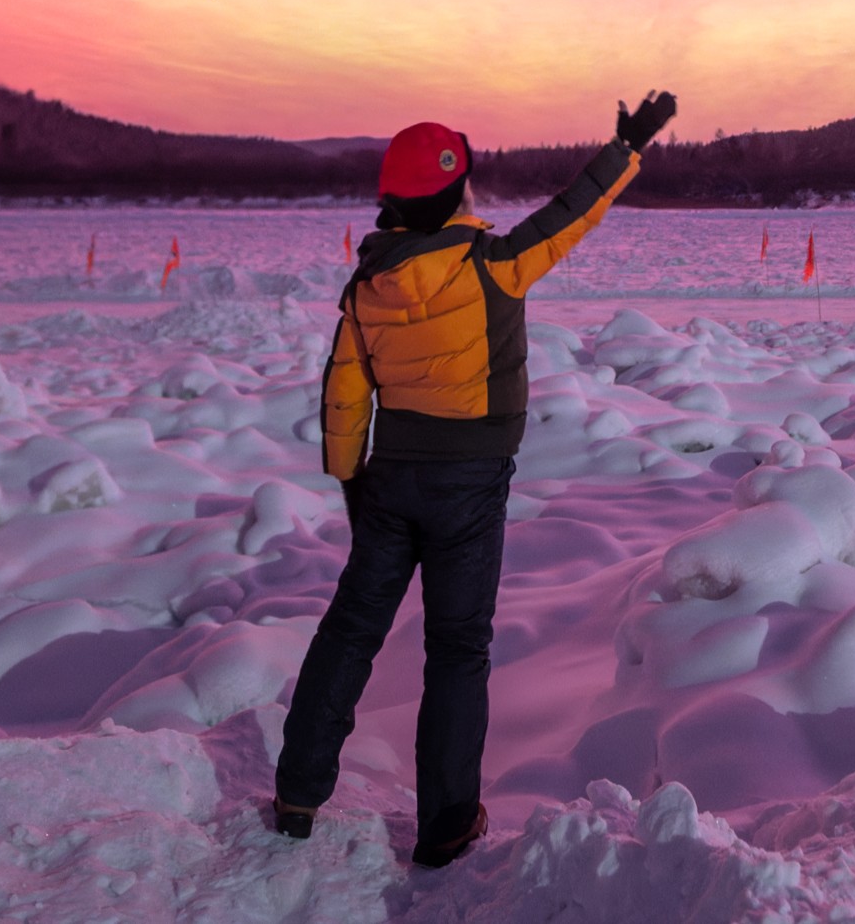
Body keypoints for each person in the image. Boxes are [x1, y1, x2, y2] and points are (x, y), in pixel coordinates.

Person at [273, 87, 677, 863]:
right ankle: (448, 824)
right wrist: (627, 148)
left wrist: (348, 475)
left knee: (350, 630)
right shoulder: (493, 266)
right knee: (458, 650)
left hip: (388, 480)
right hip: (469, 486)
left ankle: (298, 790)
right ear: (456, 189)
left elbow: (345, 387)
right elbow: (570, 215)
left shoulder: (367, 286)